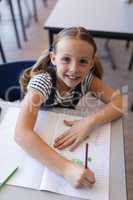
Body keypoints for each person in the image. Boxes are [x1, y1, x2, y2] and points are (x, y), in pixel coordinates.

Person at [15, 27, 124, 188]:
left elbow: (121, 102)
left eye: (82, 61)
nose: (74, 69)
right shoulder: (43, 82)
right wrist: (66, 169)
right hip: (38, 146)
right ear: (53, 58)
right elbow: (21, 134)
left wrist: (90, 121)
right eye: (66, 59)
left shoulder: (87, 79)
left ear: (91, 63)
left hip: (58, 129)